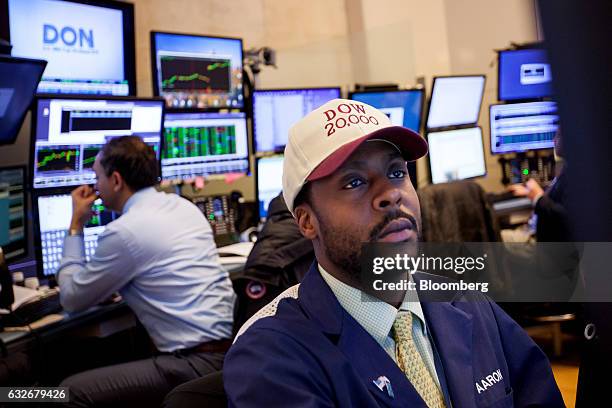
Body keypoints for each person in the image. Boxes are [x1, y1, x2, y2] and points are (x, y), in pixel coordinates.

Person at [224, 99, 564, 407]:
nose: (390, 194)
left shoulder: (469, 305)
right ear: (307, 221)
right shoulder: (271, 356)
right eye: (354, 182)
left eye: (397, 172)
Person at [57, 136, 236, 407]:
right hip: (230, 352)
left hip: (194, 363)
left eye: (97, 177)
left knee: (66, 392)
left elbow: (71, 298)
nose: (96, 187)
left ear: (116, 180)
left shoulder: (124, 232)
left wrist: (75, 226)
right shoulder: (183, 206)